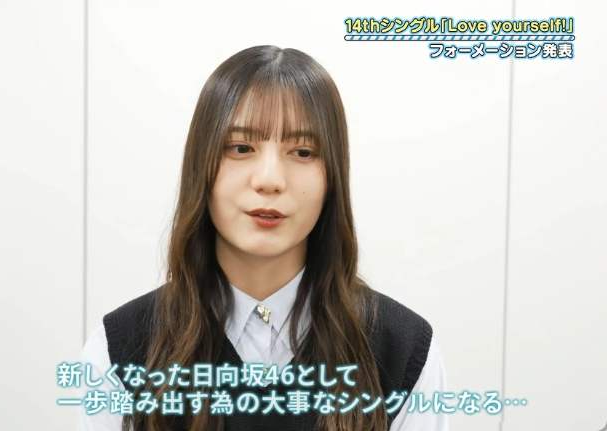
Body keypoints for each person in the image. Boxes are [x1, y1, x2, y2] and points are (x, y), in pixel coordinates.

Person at [79, 45, 448, 431]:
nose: (270, 179)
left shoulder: (402, 350)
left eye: (302, 152)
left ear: (332, 178)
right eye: (241, 148)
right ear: (200, 167)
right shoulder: (119, 351)